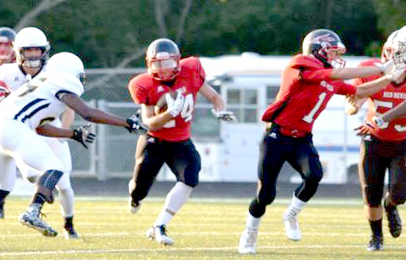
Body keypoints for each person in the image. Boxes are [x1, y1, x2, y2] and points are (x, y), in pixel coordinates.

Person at [237, 28, 406, 254]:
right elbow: (330, 76)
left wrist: (387, 78)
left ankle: (291, 214)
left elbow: (358, 90)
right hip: (277, 136)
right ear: (317, 51)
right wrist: (381, 69)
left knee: (314, 175)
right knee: (266, 194)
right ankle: (250, 231)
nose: (337, 58)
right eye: (333, 53)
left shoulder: (331, 76)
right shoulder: (300, 64)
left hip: (302, 138)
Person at [0, 51, 147, 237]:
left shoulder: (41, 84)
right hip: (13, 127)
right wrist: (126, 123)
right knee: (54, 167)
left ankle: (32, 211)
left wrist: (73, 134)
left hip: (5, 126)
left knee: (4, 187)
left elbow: (40, 128)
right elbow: (87, 113)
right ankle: (32, 212)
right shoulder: (61, 82)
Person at [127, 38, 236, 246]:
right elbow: (150, 123)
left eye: (166, 62)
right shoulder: (143, 84)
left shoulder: (191, 71)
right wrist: (170, 113)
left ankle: (159, 225)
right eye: (156, 63)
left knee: (190, 177)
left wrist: (220, 111)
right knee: (139, 189)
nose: (162, 68)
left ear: (177, 61)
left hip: (180, 141)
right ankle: (134, 196)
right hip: (154, 141)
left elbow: (214, 96)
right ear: (149, 64)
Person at [0, 26, 82, 239]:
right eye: (29, 50)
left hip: (49, 128)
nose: (34, 55)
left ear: (45, 51)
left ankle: (69, 223)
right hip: (20, 130)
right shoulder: (6, 73)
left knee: (64, 183)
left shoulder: (54, 73)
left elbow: (71, 106)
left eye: (38, 50)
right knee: (30, 175)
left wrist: (64, 133)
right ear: (19, 51)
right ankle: (43, 192)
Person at [345, 29, 406, 251]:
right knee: (371, 194)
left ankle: (391, 207)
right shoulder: (369, 70)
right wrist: (354, 104)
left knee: (399, 193)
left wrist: (381, 119)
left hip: (403, 141)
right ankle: (376, 237)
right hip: (374, 140)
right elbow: (353, 105)